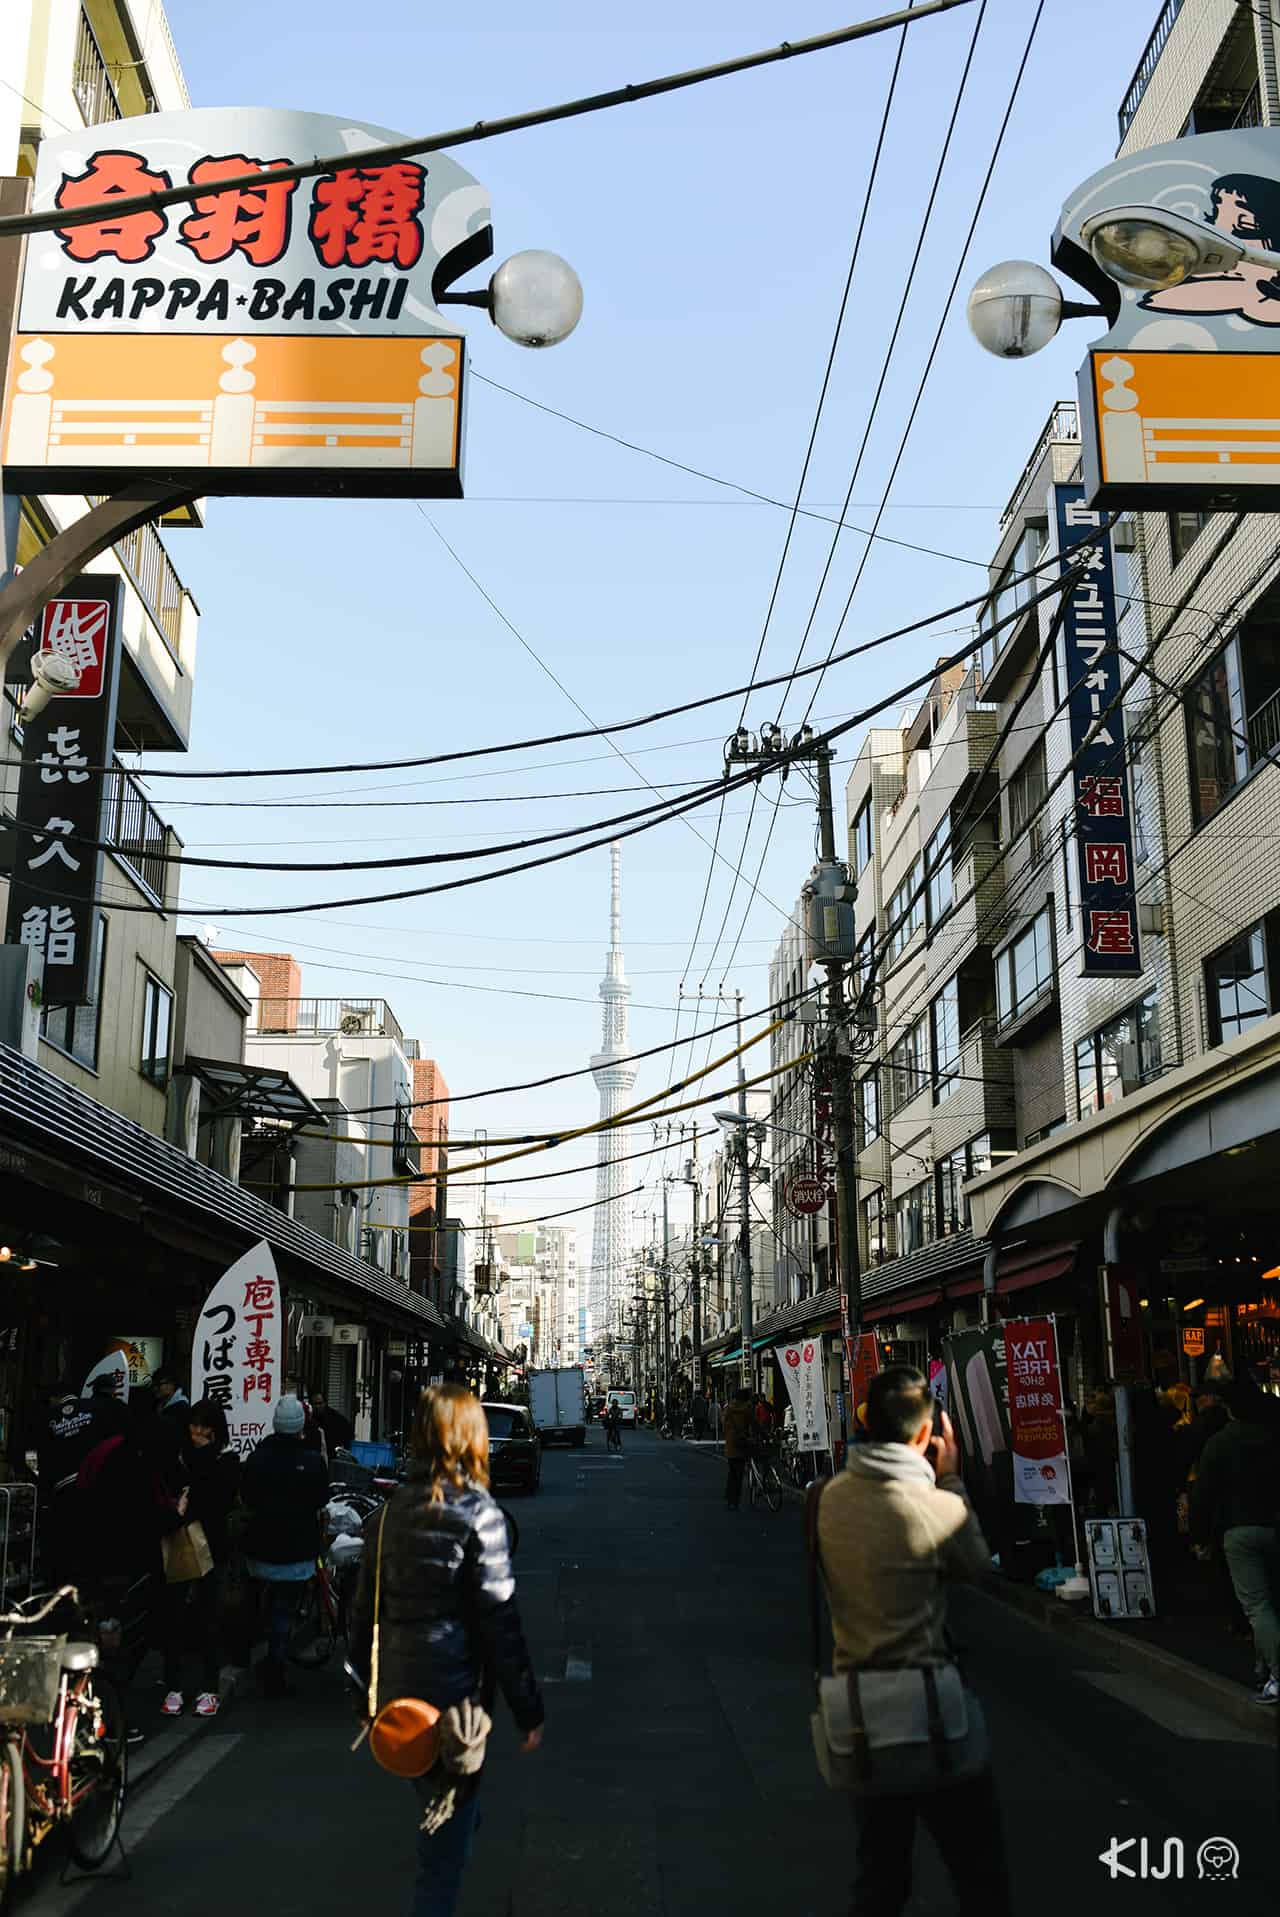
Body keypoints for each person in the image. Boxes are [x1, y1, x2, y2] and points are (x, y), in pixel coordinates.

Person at [816, 1364, 1010, 1916]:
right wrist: (948, 1478)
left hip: (858, 1711)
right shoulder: (936, 1506)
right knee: (979, 1872)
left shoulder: (828, 1500)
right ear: (926, 1434)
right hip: (930, 1709)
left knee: (879, 1875)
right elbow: (976, 1566)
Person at [349, 1385, 543, 1917]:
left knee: (443, 1805)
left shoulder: (387, 1514)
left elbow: (362, 1614)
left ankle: (459, 1811)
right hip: (455, 1701)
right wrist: (528, 1708)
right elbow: (501, 1621)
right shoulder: (479, 1513)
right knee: (442, 1859)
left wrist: (365, 1696)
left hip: (398, 1701)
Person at [1191, 1378, 1280, 1704]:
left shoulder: (1221, 1443)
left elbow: (1203, 1495)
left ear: (1229, 1409)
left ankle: (1276, 1672)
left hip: (1239, 1528)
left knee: (1257, 1605)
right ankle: (1265, 1665)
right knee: (1274, 1600)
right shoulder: (1273, 1436)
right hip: (1274, 1523)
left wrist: (1198, 1536)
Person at [242, 1396, 329, 1698]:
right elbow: (321, 1499)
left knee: (257, 1601)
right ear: (300, 1426)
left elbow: (248, 1497)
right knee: (283, 1611)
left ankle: (247, 1654)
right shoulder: (312, 1461)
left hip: (261, 1543)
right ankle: (275, 1670)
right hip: (297, 1548)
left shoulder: (257, 1458)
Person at [161, 1399, 242, 1719]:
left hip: (214, 1545)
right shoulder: (179, 1456)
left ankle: (209, 1688)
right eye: (193, 1426)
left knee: (210, 1618)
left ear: (215, 1429)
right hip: (181, 1541)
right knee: (176, 1616)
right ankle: (174, 1686)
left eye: (204, 1427)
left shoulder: (226, 1458)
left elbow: (221, 1497)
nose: (197, 1432)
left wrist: (203, 1459)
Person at [722, 1387, 755, 1511]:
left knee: (732, 1472)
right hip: (742, 1443)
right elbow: (754, 1423)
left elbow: (724, 1425)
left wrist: (728, 1435)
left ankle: (730, 1497)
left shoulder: (728, 1409)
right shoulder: (747, 1409)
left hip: (731, 1444)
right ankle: (735, 1499)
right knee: (739, 1473)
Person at [311, 1390, 355, 1456]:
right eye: (315, 1404)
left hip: (332, 1454)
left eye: (320, 1403)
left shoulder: (335, 1417)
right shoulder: (310, 1417)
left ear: (325, 1403)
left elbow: (349, 1433)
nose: (317, 1407)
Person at [153, 1367, 191, 1431]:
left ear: (171, 1384)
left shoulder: (182, 1408)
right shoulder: (160, 1406)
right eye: (154, 1385)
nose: (155, 1389)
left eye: (159, 1384)